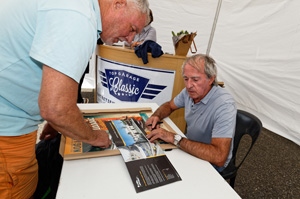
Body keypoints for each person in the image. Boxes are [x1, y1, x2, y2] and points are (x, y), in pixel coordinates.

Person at [0, 0, 149, 198]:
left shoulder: (75, 8)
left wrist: (59, 121)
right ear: (118, 4)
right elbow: (56, 108)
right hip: (6, 132)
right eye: (131, 28)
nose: (130, 39)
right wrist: (94, 137)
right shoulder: (78, 16)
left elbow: (54, 97)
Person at [145, 54, 237, 172]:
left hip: (210, 161)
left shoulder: (224, 105)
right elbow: (169, 105)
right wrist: (156, 115)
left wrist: (174, 138)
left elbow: (218, 157)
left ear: (211, 79)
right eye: (186, 78)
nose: (188, 85)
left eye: (195, 79)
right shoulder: (190, 92)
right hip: (190, 145)